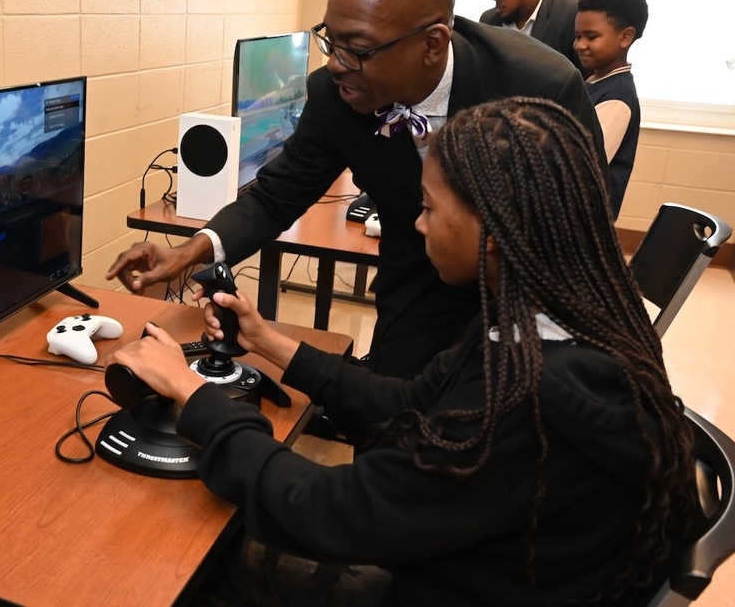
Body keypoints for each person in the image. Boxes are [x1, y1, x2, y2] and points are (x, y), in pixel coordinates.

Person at [108, 97, 695, 606]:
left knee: (190, 565)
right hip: (490, 570)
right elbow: (408, 401)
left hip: (451, 590)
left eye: (431, 208)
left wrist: (191, 392)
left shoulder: (528, 400)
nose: (416, 225)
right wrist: (265, 340)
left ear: (493, 229)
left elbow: (332, 511)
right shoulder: (549, 322)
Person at [107, 0, 608, 383]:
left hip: (524, 301)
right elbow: (277, 195)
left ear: (432, 44)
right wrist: (189, 252)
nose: (335, 64)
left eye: (358, 50)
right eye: (332, 40)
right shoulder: (333, 94)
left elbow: (578, 234)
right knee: (390, 432)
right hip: (414, 288)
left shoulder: (540, 87)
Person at [575, 0, 649, 219]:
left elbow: (581, 166)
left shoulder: (617, 97)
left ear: (626, 36)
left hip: (586, 222)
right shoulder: (594, 81)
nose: (580, 45)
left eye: (591, 36)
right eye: (577, 36)